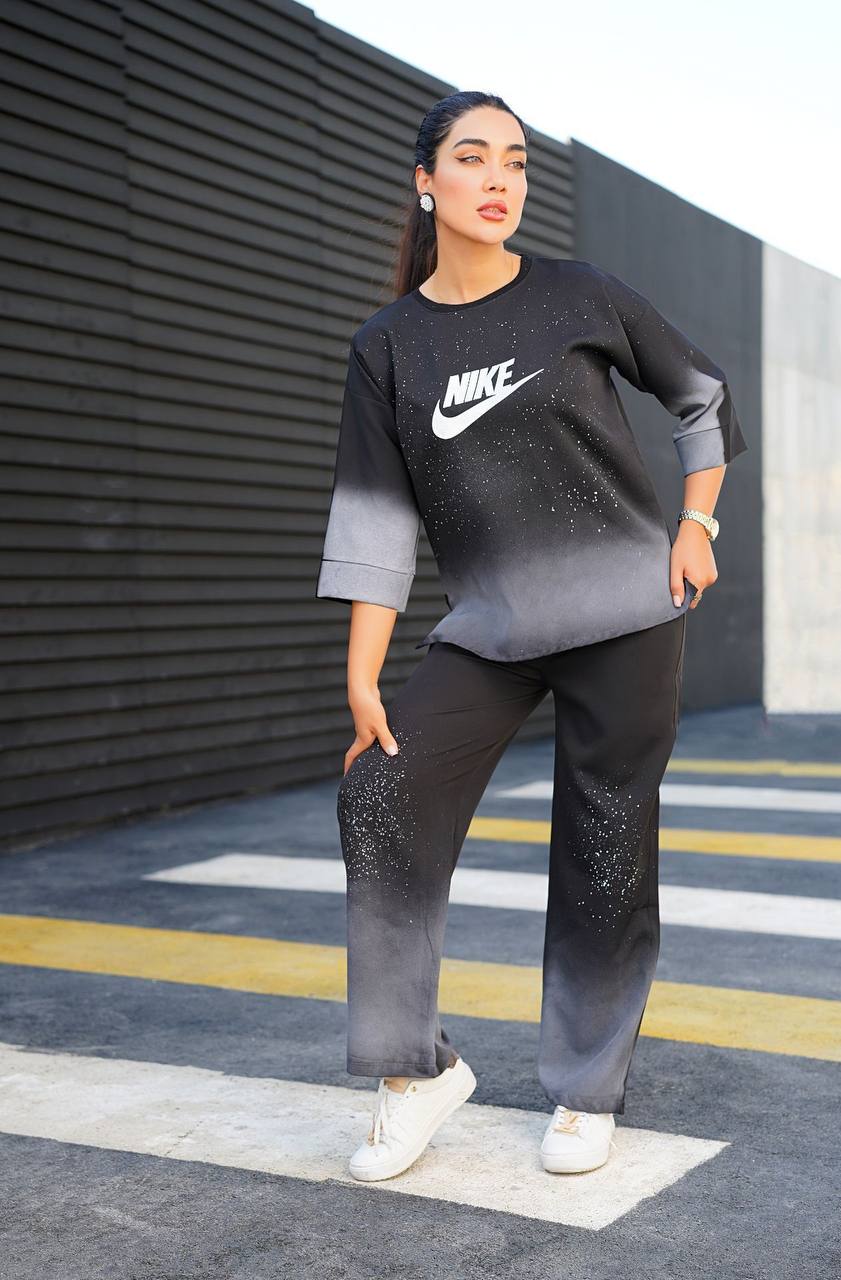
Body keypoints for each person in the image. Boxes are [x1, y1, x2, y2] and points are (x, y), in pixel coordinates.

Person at [315, 90, 748, 1183]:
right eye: (473, 158)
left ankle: (586, 1089)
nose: (499, 178)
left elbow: (700, 395)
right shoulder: (388, 346)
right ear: (426, 181)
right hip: (487, 628)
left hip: (626, 613)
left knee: (604, 847)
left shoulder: (578, 293)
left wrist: (695, 524)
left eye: (513, 160)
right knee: (378, 796)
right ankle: (414, 1071)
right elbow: (373, 519)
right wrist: (363, 675)